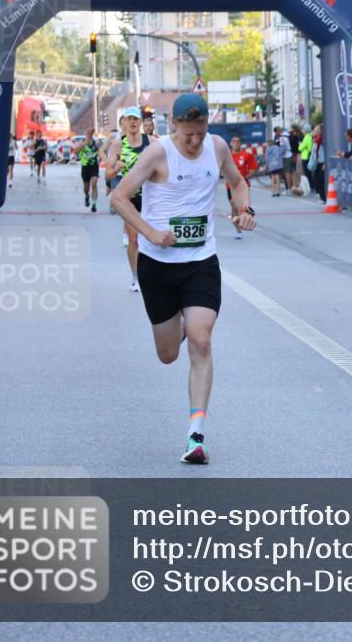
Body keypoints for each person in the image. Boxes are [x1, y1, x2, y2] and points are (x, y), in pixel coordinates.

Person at [110, 93, 256, 464]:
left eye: (201, 132)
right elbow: (120, 197)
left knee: (202, 342)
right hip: (157, 264)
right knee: (168, 354)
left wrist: (244, 209)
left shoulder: (217, 147)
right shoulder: (157, 153)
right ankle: (181, 324)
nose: (195, 141)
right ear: (173, 125)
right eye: (188, 133)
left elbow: (238, 183)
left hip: (200, 261)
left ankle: (195, 435)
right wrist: (150, 233)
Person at [106, 107, 153, 292]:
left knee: (149, 239)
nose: (133, 122)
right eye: (129, 119)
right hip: (129, 198)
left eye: (136, 119)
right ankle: (136, 277)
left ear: (140, 122)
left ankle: (151, 273)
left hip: (151, 198)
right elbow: (108, 175)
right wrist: (115, 169)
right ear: (124, 123)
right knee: (134, 239)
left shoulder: (151, 142)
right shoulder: (118, 145)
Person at [227, 135, 259, 239]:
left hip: (243, 186)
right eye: (234, 141)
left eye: (237, 141)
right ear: (231, 143)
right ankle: (238, 231)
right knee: (234, 206)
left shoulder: (247, 155)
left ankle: (240, 225)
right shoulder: (227, 156)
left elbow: (254, 168)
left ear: (240, 143)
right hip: (230, 185)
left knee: (241, 208)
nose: (235, 143)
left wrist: (245, 177)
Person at [78, 126, 103, 212]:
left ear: (93, 132)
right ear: (85, 132)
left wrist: (102, 158)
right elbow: (75, 151)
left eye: (91, 131)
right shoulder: (81, 141)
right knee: (86, 189)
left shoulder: (96, 142)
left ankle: (94, 204)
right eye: (88, 131)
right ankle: (87, 196)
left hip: (94, 167)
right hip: (85, 167)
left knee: (94, 184)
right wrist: (82, 145)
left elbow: (101, 152)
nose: (89, 133)